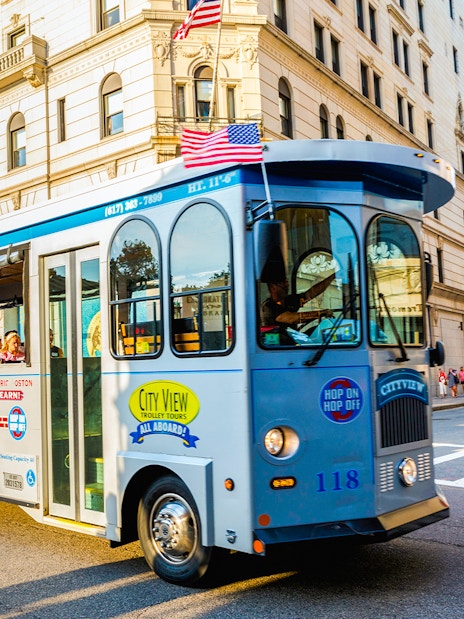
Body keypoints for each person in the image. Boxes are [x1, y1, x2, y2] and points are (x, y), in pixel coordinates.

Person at [260, 272, 335, 328]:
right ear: (273, 287)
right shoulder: (267, 307)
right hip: (278, 346)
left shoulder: (289, 300)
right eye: (283, 284)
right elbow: (291, 319)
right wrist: (319, 313)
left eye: (287, 283)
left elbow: (311, 293)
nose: (287, 286)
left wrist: (333, 277)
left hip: (292, 342)